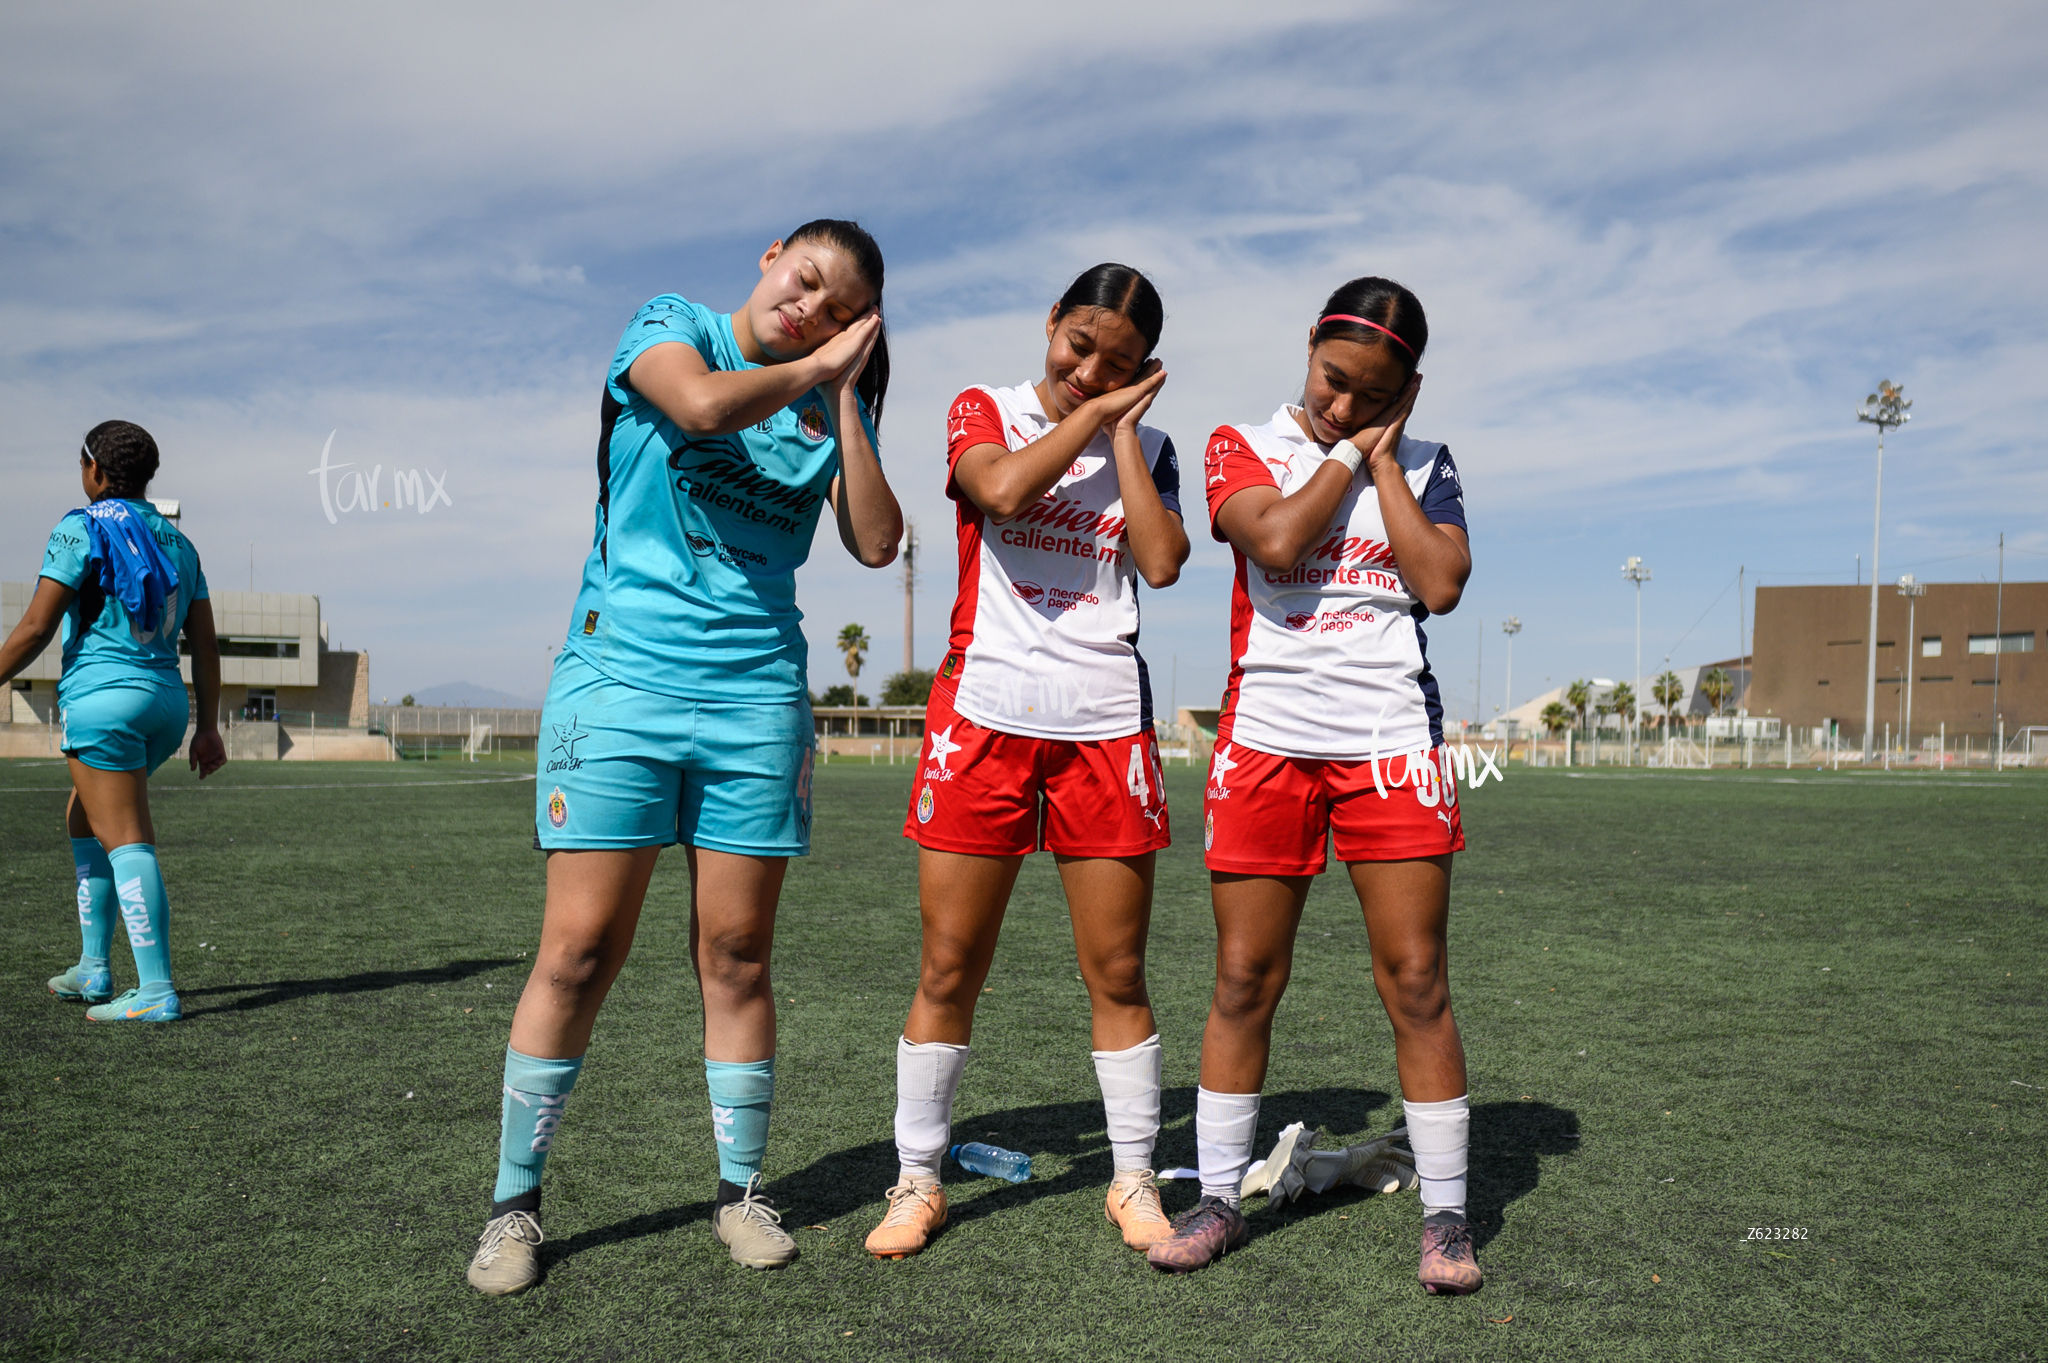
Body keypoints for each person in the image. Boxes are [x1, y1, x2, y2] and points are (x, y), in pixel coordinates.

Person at [464, 220, 903, 1294]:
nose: (811, 309)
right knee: (576, 951)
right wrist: (810, 364)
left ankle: (740, 1190)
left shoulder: (824, 392)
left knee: (738, 952)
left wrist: (844, 397)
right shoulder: (672, 326)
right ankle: (513, 1209)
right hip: (618, 687)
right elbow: (701, 406)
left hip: (755, 701)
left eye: (839, 309)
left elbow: (878, 540)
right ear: (769, 259)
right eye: (805, 281)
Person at [1143, 277, 1482, 1295]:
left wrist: (1385, 460)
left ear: (1407, 391)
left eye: (1371, 396)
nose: (1343, 404)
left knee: (1415, 980)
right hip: (1268, 743)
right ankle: (1211, 1199)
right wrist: (1347, 449)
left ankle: (1446, 1219)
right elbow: (1278, 539)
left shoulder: (1426, 462)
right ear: (1308, 349)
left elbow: (1440, 582)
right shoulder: (1236, 444)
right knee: (1244, 977)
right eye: (1333, 382)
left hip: (1390, 745)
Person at [865, 264, 1190, 1261]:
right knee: (949, 962)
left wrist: (1124, 430)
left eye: (1119, 364)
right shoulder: (984, 409)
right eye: (1079, 344)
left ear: (1146, 374)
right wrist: (1091, 420)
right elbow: (999, 489)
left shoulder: (1153, 444)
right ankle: (917, 1179)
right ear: (1049, 322)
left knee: (1118, 969)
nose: (1089, 369)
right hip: (985, 718)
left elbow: (1163, 559)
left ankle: (1131, 1178)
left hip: (1103, 726)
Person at [0, 421, 227, 1023]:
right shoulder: (180, 544)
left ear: (95, 470)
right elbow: (205, 647)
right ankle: (92, 966)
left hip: (104, 703)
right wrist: (208, 726)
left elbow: (34, 629)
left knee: (126, 837)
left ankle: (155, 990)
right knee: (83, 813)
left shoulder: (79, 528)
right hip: (165, 706)